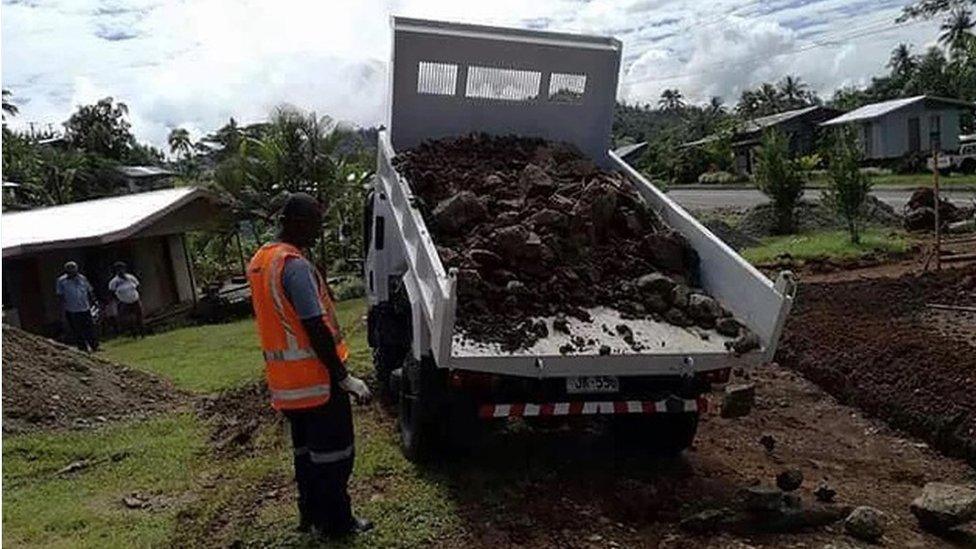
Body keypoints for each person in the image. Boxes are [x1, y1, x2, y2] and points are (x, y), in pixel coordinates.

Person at [247, 192, 373, 538]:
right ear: (297, 222)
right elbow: (314, 325)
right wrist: (344, 378)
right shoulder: (295, 265)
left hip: (287, 387)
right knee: (334, 456)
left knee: (306, 456)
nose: (319, 232)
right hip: (317, 382)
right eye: (315, 223)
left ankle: (310, 516)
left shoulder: (261, 261)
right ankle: (336, 524)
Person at [56, 261, 99, 352]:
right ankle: (83, 348)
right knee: (77, 330)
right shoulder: (61, 281)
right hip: (72, 309)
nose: (72, 271)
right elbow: (60, 296)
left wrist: (94, 302)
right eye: (70, 269)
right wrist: (62, 310)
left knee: (90, 328)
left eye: (73, 268)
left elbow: (89, 291)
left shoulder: (82, 278)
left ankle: (94, 346)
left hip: (85, 307)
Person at [108, 261, 144, 337]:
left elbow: (138, 286)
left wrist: (138, 295)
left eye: (122, 269)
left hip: (135, 300)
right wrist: (117, 301)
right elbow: (111, 293)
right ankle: (134, 334)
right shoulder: (114, 282)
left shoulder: (131, 278)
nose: (121, 271)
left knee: (139, 317)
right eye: (119, 269)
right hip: (124, 302)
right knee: (128, 319)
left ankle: (142, 333)